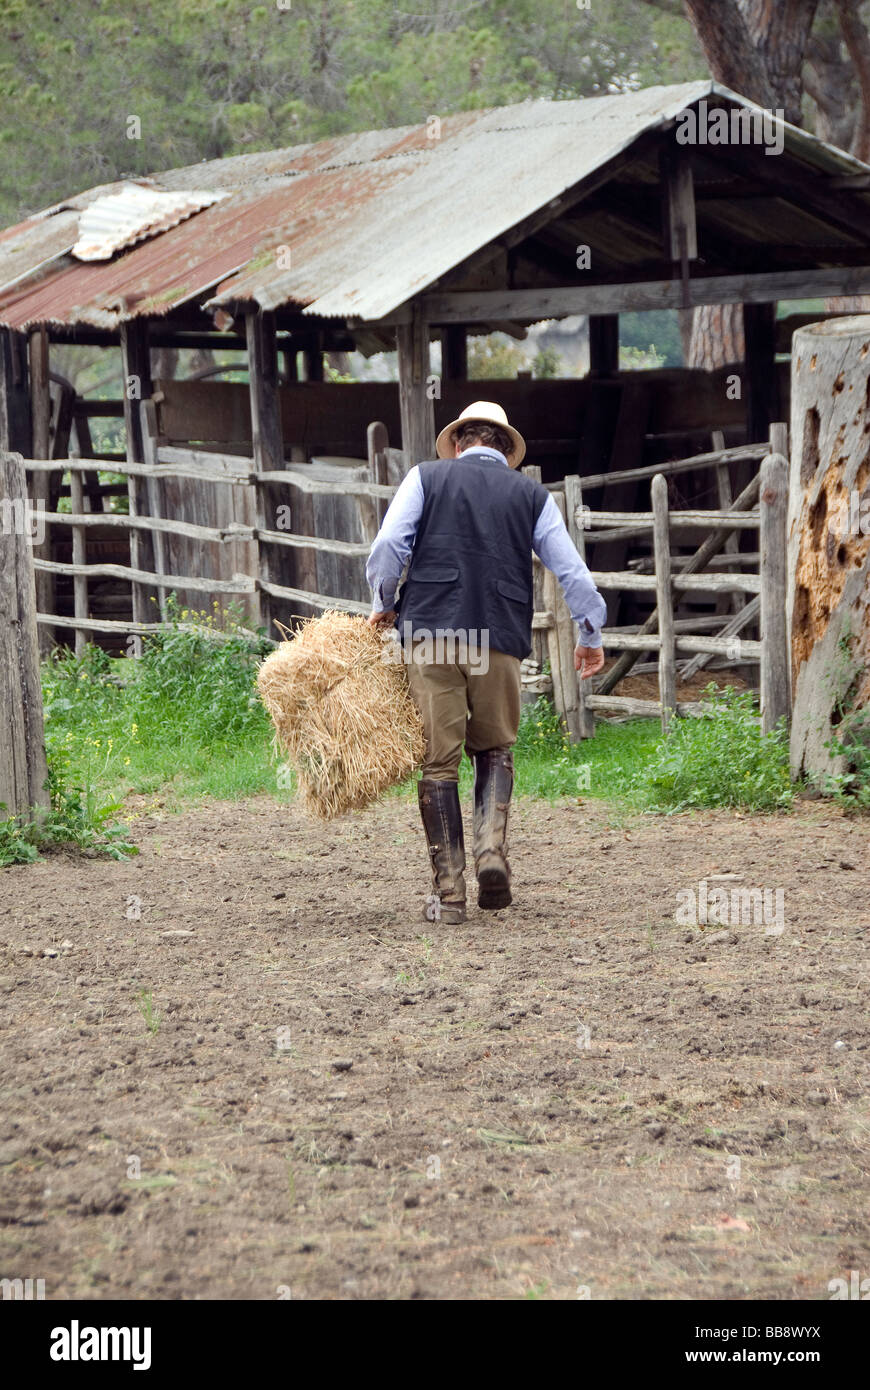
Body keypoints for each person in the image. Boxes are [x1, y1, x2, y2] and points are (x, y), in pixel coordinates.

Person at [366, 401, 607, 923]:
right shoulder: (532, 495)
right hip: (498, 634)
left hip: (432, 633)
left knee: (438, 763)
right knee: (495, 747)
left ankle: (450, 894)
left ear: (458, 444)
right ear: (505, 450)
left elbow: (389, 543)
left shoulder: (425, 477)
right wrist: (589, 631)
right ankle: (491, 852)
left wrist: (384, 602)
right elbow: (571, 571)